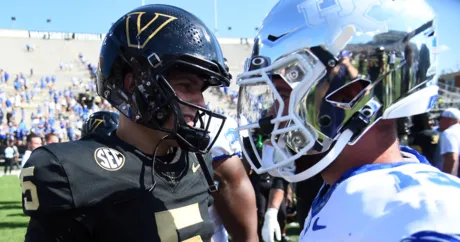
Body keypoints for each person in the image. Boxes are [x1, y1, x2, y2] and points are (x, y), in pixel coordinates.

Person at [19, 4, 249, 242]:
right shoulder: (73, 172)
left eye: (201, 90)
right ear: (134, 85)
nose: (201, 102)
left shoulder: (196, 160)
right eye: (185, 85)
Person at [236, 0, 460, 241]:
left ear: (349, 96)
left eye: (284, 95)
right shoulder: (345, 184)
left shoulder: (428, 217)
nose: (271, 114)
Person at [438, 108, 460, 175]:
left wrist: (447, 179)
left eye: (440, 119)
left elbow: (452, 158)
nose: (439, 122)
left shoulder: (449, 133)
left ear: (448, 120)